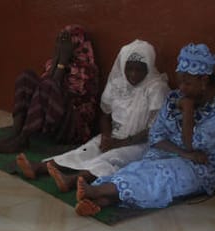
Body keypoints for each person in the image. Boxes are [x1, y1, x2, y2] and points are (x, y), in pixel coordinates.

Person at [75, 43, 215, 216]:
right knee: (138, 168)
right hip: (170, 154)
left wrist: (188, 111)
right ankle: (102, 201)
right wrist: (183, 153)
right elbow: (156, 135)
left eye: (187, 83)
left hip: (199, 169)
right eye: (180, 81)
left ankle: (97, 192)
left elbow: (192, 146)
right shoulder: (175, 97)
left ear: (204, 80)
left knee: (159, 176)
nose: (181, 88)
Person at [16, 39, 170, 191]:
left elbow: (154, 130)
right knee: (88, 149)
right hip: (115, 136)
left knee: (111, 157)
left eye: (139, 69)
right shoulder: (118, 83)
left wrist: (118, 144)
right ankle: (39, 168)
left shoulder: (156, 88)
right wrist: (106, 135)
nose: (133, 74)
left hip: (142, 143)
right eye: (129, 68)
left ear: (149, 67)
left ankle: (73, 180)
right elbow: (105, 113)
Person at [0, 24, 99, 153]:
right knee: (26, 76)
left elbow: (52, 87)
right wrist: (57, 58)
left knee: (49, 85)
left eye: (66, 43)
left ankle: (23, 139)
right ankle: (16, 132)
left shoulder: (86, 70)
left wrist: (62, 61)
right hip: (54, 120)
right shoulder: (56, 62)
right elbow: (44, 84)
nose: (61, 45)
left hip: (73, 129)